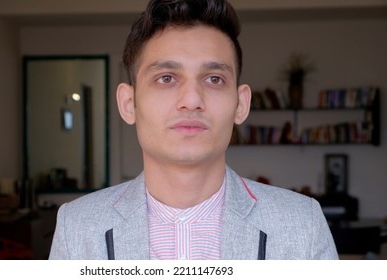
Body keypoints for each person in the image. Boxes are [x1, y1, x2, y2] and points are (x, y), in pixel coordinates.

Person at [49, 0, 338, 260]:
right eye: (166, 78)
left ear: (241, 104)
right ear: (128, 103)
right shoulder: (77, 227)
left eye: (214, 79)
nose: (191, 100)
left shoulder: (303, 225)